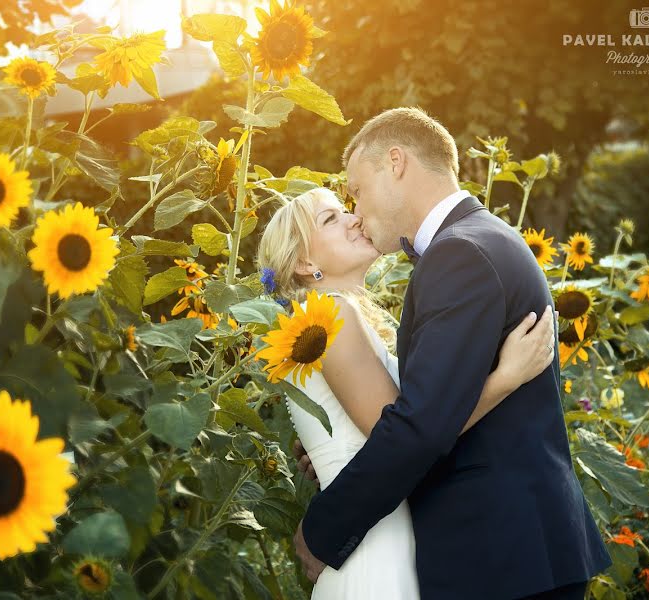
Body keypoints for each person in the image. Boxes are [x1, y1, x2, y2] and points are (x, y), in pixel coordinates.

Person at [261, 107, 612, 600]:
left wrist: (321, 529)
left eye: (356, 191)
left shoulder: (460, 253)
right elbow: (412, 417)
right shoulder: (478, 240)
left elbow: (418, 426)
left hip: (499, 555)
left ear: (396, 163)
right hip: (506, 552)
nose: (356, 213)